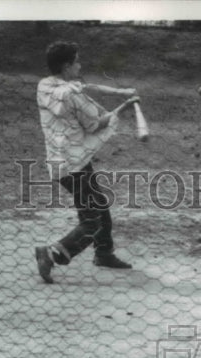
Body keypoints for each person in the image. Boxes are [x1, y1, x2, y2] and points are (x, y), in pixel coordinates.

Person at [35, 40, 139, 284]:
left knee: (99, 204)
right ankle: (51, 253)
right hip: (74, 163)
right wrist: (125, 106)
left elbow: (82, 86)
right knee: (92, 219)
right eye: (76, 62)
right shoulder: (74, 97)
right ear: (66, 66)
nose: (80, 66)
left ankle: (104, 253)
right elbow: (95, 124)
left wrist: (121, 92)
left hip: (58, 161)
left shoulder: (45, 86)